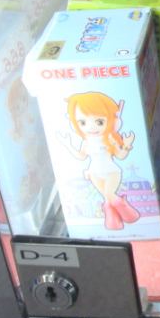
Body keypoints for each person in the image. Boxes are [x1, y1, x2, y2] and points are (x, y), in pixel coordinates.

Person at [58, 92, 139, 230]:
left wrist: (126, 144)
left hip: (111, 172)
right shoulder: (87, 142)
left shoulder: (110, 139)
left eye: (99, 122)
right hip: (94, 173)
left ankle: (130, 216)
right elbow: (81, 156)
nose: (91, 127)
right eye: (83, 122)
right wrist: (68, 145)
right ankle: (115, 223)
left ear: (112, 120)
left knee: (110, 195)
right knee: (108, 199)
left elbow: (120, 156)